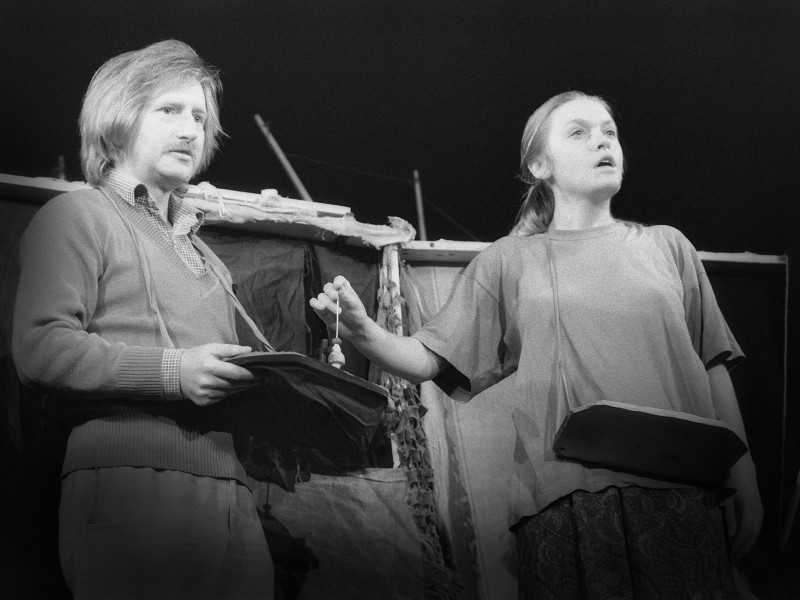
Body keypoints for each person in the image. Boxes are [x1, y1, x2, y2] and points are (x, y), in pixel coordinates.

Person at [311, 91, 763, 599]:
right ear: (539, 165)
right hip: (568, 502)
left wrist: (743, 472)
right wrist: (362, 331)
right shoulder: (509, 261)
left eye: (609, 132)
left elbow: (712, 364)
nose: (602, 142)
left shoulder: (667, 246)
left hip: (683, 493)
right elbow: (426, 359)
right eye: (579, 132)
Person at [12, 40, 274, 599]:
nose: (189, 130)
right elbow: (40, 348)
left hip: (232, 495)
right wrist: (174, 372)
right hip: (130, 483)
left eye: (199, 117)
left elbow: (217, 381)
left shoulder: (209, 259)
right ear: (116, 123)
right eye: (169, 110)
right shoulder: (77, 215)